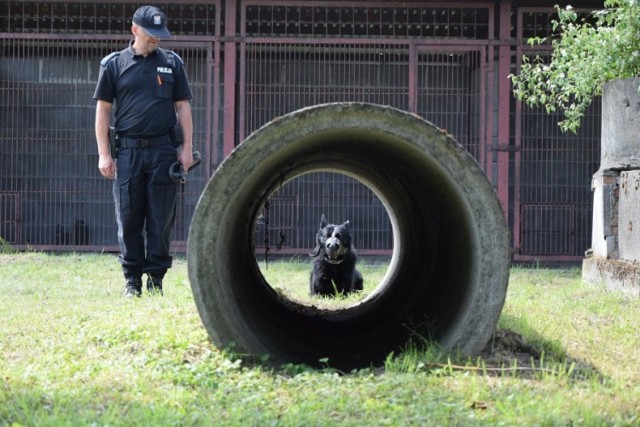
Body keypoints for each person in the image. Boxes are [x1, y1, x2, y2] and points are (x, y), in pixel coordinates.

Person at [93, 5, 194, 297]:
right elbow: (103, 111)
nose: (156, 40)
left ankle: (156, 280)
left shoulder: (173, 63)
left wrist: (187, 149)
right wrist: (104, 153)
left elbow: (183, 107)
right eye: (151, 34)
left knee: (161, 219)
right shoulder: (113, 64)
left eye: (160, 35)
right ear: (134, 30)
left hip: (164, 152)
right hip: (128, 153)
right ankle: (132, 281)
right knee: (128, 218)